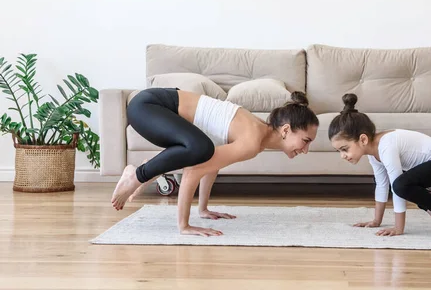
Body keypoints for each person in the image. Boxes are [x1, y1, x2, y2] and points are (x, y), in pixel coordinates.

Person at [110, 87, 319, 236]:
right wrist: (184, 225)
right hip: (148, 107)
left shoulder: (257, 135)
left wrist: (203, 209)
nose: (306, 150)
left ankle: (147, 170)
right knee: (200, 149)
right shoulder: (252, 140)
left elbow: (212, 164)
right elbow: (194, 171)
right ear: (285, 130)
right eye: (306, 141)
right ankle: (137, 175)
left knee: (202, 150)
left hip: (154, 109)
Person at [328, 93, 431, 238]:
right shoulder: (373, 153)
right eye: (338, 151)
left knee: (400, 185)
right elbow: (382, 185)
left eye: (344, 149)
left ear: (363, 139)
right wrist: (376, 221)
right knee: (396, 184)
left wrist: (398, 227)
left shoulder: (386, 146)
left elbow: (398, 189)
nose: (342, 155)